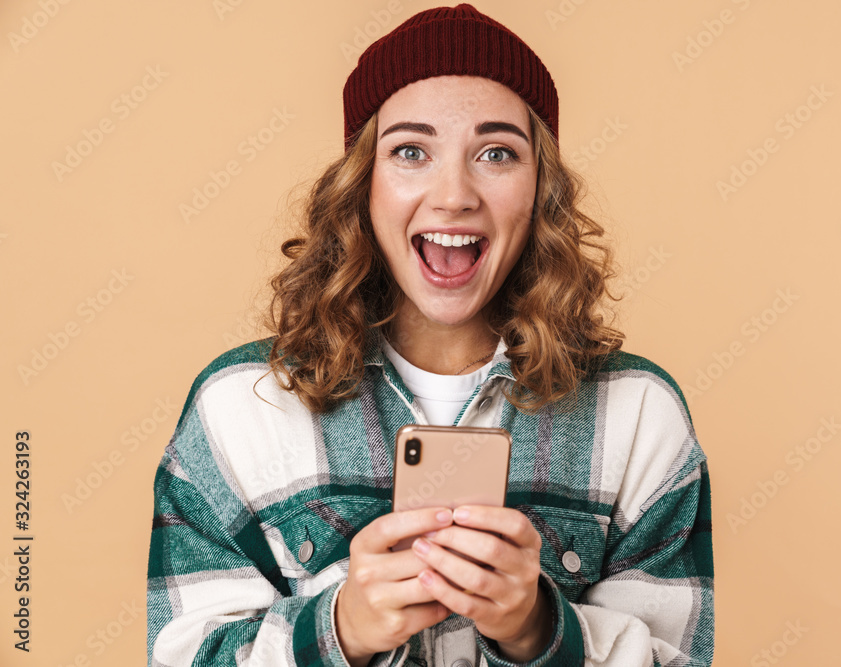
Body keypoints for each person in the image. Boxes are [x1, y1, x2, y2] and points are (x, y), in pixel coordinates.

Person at [146, 4, 714, 666]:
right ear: (362, 186)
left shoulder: (640, 416)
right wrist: (341, 629)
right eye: (411, 151)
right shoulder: (239, 411)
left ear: (543, 190)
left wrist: (539, 630)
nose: (454, 195)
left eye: (497, 152)